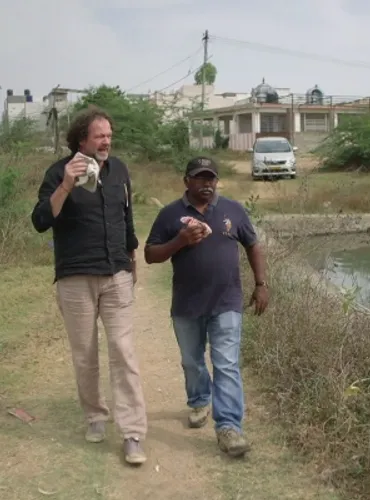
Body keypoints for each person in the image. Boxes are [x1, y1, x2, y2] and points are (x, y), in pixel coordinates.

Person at [31, 107, 147, 465]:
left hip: (115, 275)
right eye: (100, 136)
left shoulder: (119, 171)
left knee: (123, 352)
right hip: (75, 277)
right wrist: (66, 184)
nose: (107, 141)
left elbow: (125, 217)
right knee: (85, 354)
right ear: (82, 139)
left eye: (109, 135)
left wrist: (131, 257)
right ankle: (96, 416)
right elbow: (40, 221)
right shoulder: (58, 173)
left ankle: (132, 433)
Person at [144, 156, 269, 457]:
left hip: (227, 301)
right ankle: (200, 399)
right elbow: (150, 254)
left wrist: (261, 284)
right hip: (186, 304)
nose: (207, 184)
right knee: (192, 361)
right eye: (200, 178)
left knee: (226, 364)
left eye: (211, 178)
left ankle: (229, 427)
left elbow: (252, 245)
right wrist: (180, 241)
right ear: (186, 181)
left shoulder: (232, 211)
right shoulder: (170, 215)